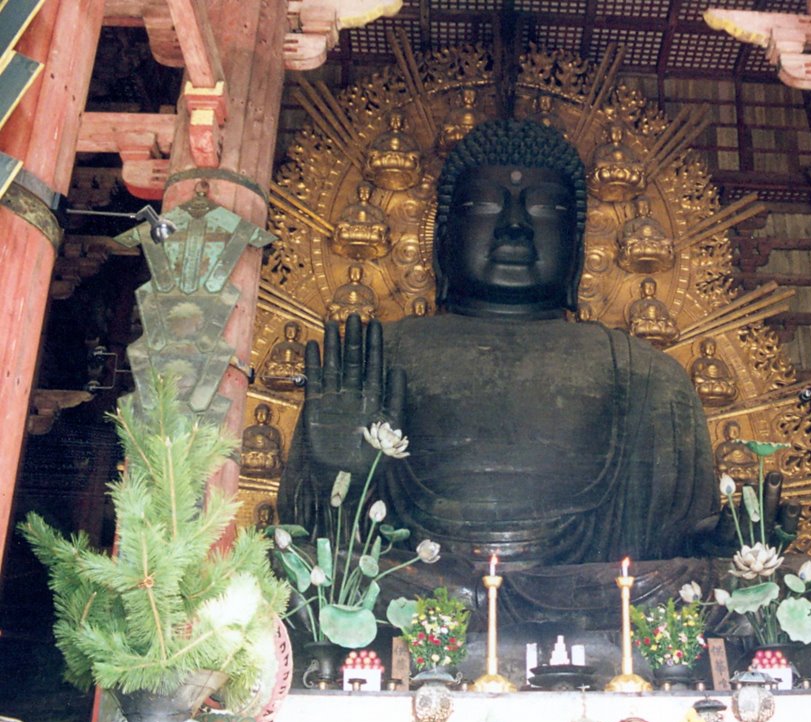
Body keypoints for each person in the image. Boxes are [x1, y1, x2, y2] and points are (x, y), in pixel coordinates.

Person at [279, 119, 719, 621]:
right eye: (484, 206)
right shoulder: (376, 356)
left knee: (749, 586)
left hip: (592, 595)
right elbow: (303, 543)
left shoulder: (649, 375)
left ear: (577, 249)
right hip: (415, 587)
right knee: (284, 572)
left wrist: (734, 543)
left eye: (546, 209)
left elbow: (677, 548)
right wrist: (340, 476)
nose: (514, 226)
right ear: (442, 241)